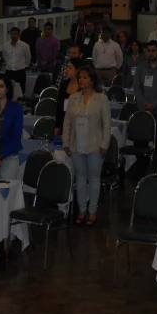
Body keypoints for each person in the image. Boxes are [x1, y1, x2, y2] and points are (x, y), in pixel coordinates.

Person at [62, 64, 111, 226]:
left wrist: (104, 144)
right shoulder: (73, 98)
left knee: (94, 178)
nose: (81, 80)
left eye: (85, 77)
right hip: (77, 144)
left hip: (95, 145)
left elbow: (106, 124)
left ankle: (93, 211)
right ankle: (82, 210)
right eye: (80, 77)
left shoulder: (101, 98)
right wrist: (66, 142)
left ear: (92, 80)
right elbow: (67, 122)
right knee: (81, 178)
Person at [133, 40, 157, 173]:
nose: (151, 53)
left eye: (153, 50)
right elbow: (137, 88)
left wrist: (154, 105)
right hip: (143, 111)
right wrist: (145, 104)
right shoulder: (140, 68)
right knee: (140, 141)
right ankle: (140, 170)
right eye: (149, 51)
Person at [55, 58, 85, 136]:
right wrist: (57, 126)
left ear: (78, 70)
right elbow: (59, 107)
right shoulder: (64, 84)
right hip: (63, 124)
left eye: (70, 68)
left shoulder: (83, 87)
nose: (67, 70)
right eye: (67, 67)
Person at [2, 27, 31, 95]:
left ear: (18, 35)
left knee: (21, 90)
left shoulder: (24, 45)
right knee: (8, 91)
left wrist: (25, 66)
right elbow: (5, 57)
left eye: (15, 34)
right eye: (11, 34)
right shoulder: (5, 46)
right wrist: (9, 64)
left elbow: (28, 57)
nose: (13, 35)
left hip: (20, 71)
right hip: (9, 71)